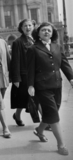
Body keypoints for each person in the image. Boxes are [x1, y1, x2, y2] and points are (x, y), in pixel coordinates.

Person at [27, 22, 73, 156]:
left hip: (57, 85)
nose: (46, 32)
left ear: (52, 33)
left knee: (51, 113)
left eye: (49, 30)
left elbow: (64, 64)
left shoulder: (57, 46)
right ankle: (61, 144)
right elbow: (30, 69)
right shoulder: (33, 48)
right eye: (43, 30)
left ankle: (39, 130)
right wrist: (30, 85)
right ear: (38, 33)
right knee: (53, 115)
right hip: (42, 86)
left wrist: (71, 78)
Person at [10, 19, 35, 126]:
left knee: (35, 98)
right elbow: (15, 61)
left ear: (33, 27)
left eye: (30, 25)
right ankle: (45, 122)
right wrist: (16, 78)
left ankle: (45, 121)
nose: (28, 28)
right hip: (24, 76)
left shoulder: (37, 40)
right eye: (25, 26)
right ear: (21, 28)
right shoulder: (18, 42)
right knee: (23, 99)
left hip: (36, 74)